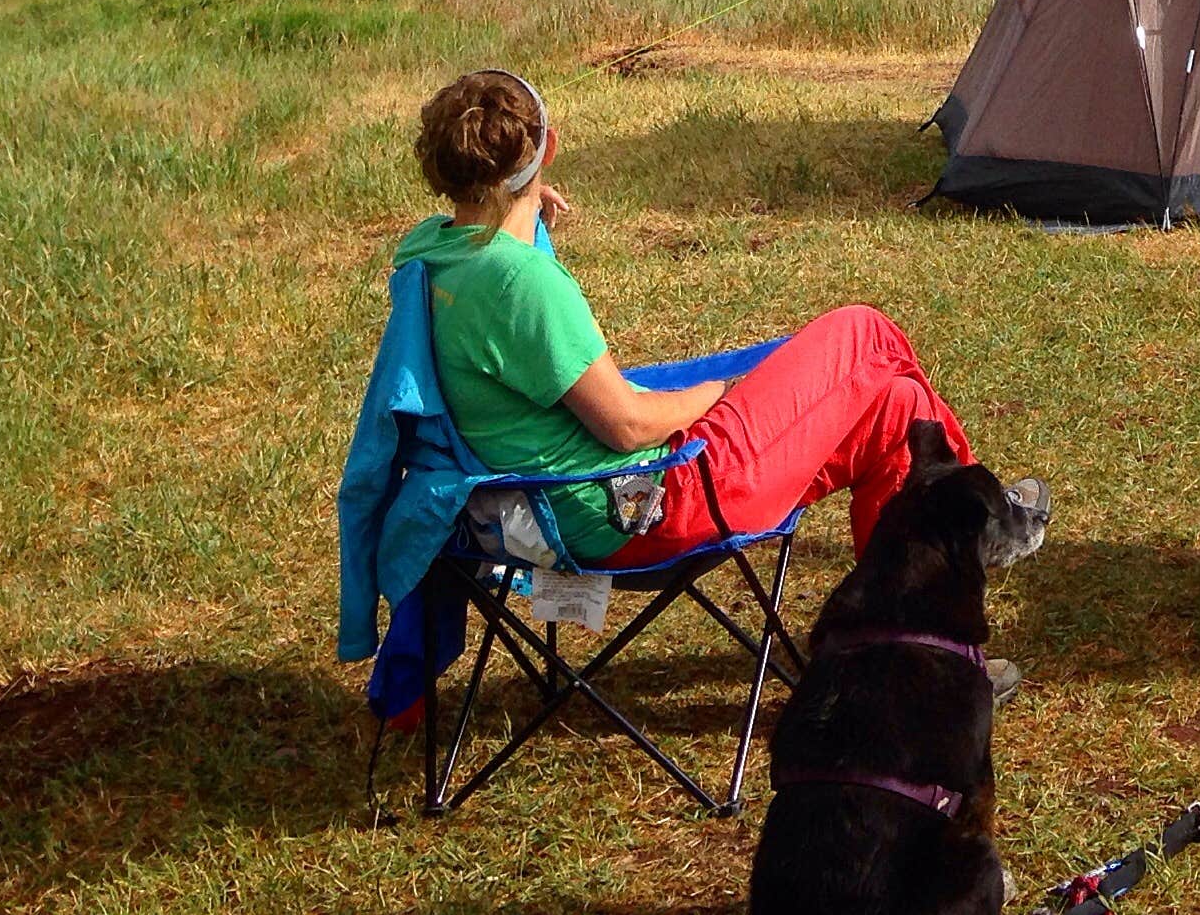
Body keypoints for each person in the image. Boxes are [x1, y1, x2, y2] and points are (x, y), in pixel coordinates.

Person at [395, 68, 972, 572]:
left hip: (543, 510)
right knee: (863, 331)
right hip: (644, 507)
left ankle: (913, 636)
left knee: (896, 411)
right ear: (548, 150)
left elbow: (501, 276)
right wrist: (716, 394)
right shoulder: (523, 284)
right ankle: (978, 513)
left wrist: (523, 201)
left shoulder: (430, 253)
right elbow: (626, 425)